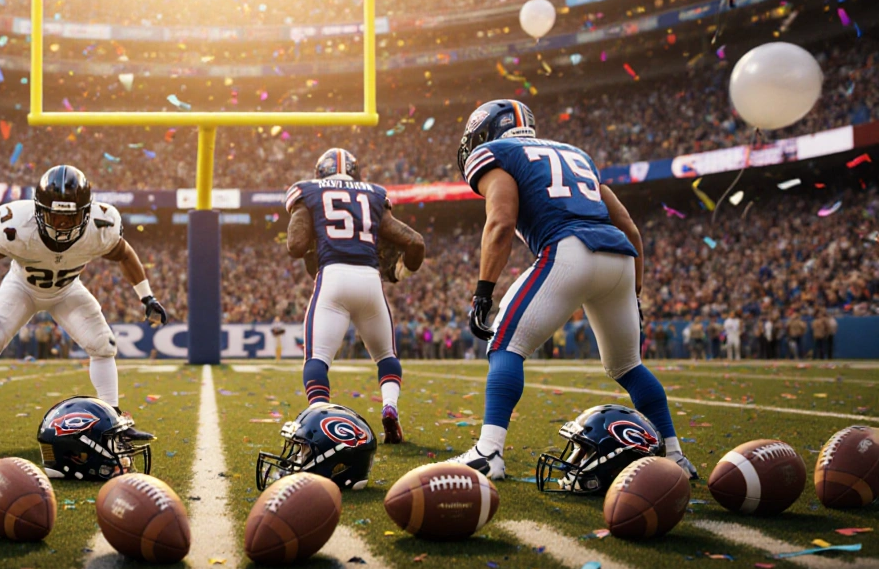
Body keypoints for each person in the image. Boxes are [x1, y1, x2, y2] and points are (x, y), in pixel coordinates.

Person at [446, 100, 695, 480]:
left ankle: (489, 452)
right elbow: (628, 226)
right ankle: (675, 455)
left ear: (483, 132)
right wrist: (636, 293)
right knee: (629, 365)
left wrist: (483, 291)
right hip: (619, 257)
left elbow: (500, 221)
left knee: (504, 345)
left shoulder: (494, 153)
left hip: (568, 250)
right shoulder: (574, 152)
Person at [0, 165, 169, 445]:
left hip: (67, 290)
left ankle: (113, 420)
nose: (63, 225)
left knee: (102, 345)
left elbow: (125, 254)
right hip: (21, 287)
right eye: (55, 216)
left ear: (87, 213)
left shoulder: (100, 228)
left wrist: (147, 296)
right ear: (39, 211)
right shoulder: (15, 226)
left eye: (71, 217)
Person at [285, 148, 426, 444]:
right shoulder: (374, 193)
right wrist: (401, 273)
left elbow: (295, 245)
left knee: (318, 358)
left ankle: (319, 421)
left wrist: (313, 239)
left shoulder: (308, 191)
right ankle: (389, 407)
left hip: (333, 278)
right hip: (370, 281)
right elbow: (415, 242)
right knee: (386, 355)